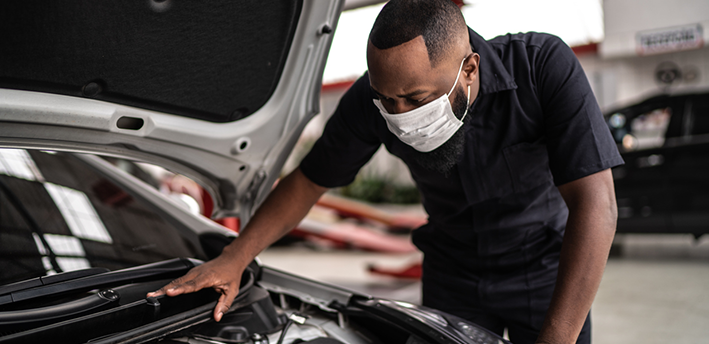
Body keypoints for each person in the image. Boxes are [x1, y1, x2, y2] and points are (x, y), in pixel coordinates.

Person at [148, 1, 623, 343]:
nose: (398, 114)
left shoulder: (543, 68)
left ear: (470, 70)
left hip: (544, 272)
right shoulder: (369, 102)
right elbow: (309, 181)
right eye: (387, 100)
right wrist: (234, 258)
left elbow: (595, 203)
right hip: (452, 275)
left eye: (416, 100)